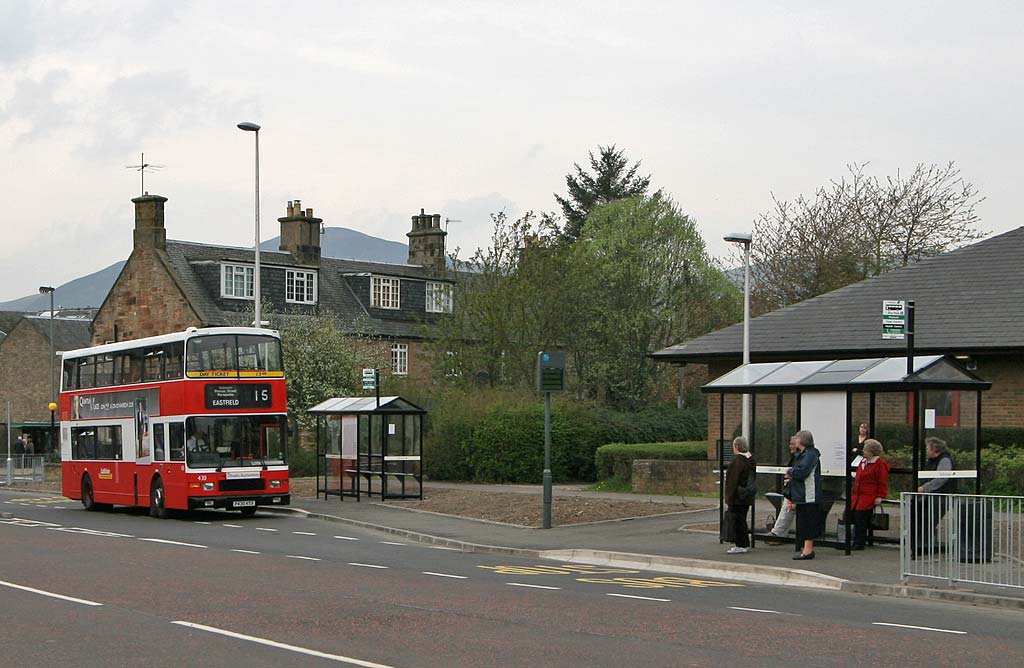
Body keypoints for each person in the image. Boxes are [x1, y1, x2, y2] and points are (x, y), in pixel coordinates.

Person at [910, 436, 956, 557]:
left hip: (939, 497)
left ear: (934, 448)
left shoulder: (945, 460)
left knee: (930, 521)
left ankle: (925, 546)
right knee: (924, 521)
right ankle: (922, 545)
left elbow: (942, 477)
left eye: (928, 447)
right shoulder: (932, 460)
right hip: (929, 497)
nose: (926, 450)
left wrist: (925, 487)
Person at [787, 429, 822, 560]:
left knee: (808, 522)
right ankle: (805, 549)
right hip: (802, 494)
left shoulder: (810, 455)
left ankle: (808, 550)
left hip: (809, 494)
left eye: (797, 438)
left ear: (802, 440)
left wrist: (791, 472)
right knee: (803, 522)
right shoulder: (803, 454)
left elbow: (802, 472)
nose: (795, 441)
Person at [849, 439, 890, 550]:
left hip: (868, 496)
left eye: (865, 449)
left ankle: (859, 542)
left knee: (861, 518)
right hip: (857, 495)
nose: (863, 451)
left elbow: (882, 481)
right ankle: (852, 540)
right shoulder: (863, 462)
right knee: (854, 517)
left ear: (872, 451)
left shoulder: (880, 464)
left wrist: (880, 495)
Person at [724, 436, 756, 554]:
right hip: (747, 495)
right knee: (742, 519)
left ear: (736, 447)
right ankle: (743, 543)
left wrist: (728, 497)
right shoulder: (750, 460)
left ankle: (741, 544)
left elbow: (732, 481)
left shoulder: (737, 461)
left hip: (737, 496)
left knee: (738, 521)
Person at [766, 436, 799, 543]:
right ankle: (779, 533)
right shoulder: (794, 457)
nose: (790, 446)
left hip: (796, 489)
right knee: (788, 510)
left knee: (787, 509)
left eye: (792, 444)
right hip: (792, 488)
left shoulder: (799, 458)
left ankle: (778, 533)